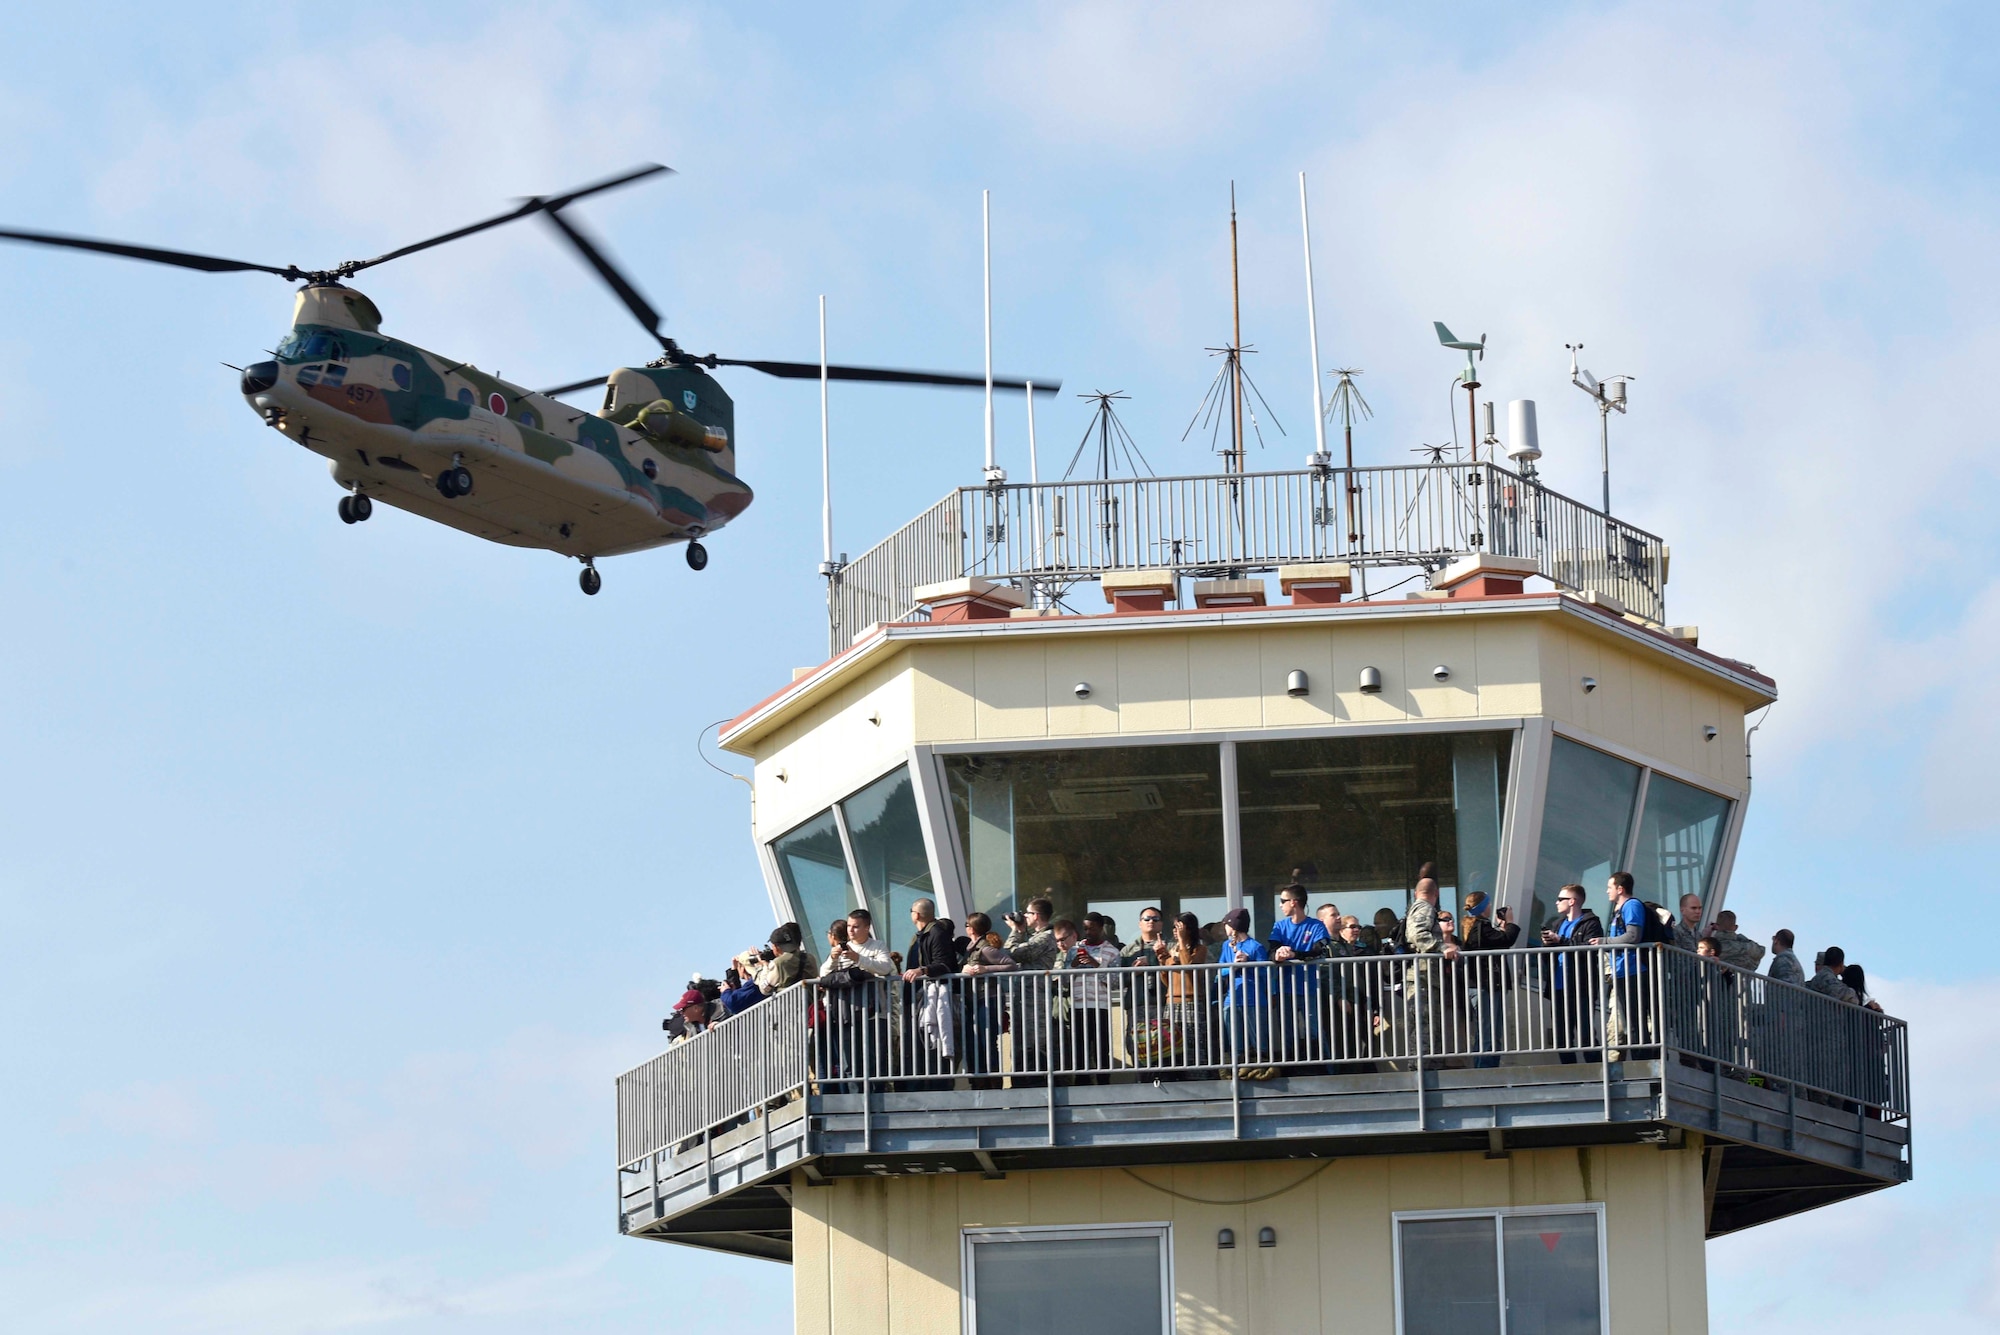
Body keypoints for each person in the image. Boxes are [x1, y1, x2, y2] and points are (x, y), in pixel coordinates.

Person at [1538, 884, 1602, 1063]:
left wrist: (1561, 940)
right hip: (1558, 986)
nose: (1556, 902)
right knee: (1561, 1038)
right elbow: (1548, 956)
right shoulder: (1558, 923)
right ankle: (1574, 1076)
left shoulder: (1591, 922)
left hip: (1580, 986)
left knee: (1585, 1035)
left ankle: (1596, 1074)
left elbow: (1589, 949)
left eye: (1560, 899)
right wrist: (1548, 943)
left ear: (1572, 901)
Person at [1269, 883, 1332, 1065]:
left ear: (1294, 902)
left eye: (1283, 901)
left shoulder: (1316, 926)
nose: (1280, 905)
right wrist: (1278, 955)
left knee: (1315, 1031)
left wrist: (1295, 954)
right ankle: (1291, 1070)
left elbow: (1319, 950)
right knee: (1287, 1032)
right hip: (1285, 989)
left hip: (1308, 988)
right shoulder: (1279, 926)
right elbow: (1271, 951)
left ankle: (1327, 1069)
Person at [1053, 915, 1119, 1082]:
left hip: (1100, 1006)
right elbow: (1064, 982)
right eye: (1086, 928)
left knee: (1101, 1049)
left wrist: (1096, 965)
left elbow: (1115, 982)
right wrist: (1073, 965)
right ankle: (1082, 1084)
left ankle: (1104, 1084)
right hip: (1077, 1006)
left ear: (1101, 928)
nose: (1088, 932)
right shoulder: (1074, 950)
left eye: (1092, 928)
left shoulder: (1112, 951)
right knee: (1079, 1049)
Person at [1001, 896, 1059, 1084]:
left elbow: (1014, 953)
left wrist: (1015, 932)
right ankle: (1021, 1084)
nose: (1024, 916)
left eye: (1027, 913)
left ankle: (1034, 1085)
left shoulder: (1046, 937)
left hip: (1035, 998)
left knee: (1033, 1043)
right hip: (1025, 997)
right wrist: (1020, 931)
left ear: (1036, 915)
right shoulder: (1036, 936)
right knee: (1020, 1043)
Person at [1458, 892, 1519, 1068]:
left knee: (1492, 1032)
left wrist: (1501, 927)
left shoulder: (1478, 926)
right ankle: (1483, 1074)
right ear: (1484, 907)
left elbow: (1498, 941)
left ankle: (1490, 1071)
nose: (1491, 907)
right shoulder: (1480, 927)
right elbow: (1506, 939)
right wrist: (1510, 922)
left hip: (1488, 985)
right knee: (1487, 1033)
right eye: (1489, 904)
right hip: (1485, 985)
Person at [902, 899, 959, 1079]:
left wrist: (923, 970)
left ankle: (937, 1085)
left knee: (933, 1044)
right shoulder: (920, 935)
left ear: (916, 914)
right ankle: (923, 1083)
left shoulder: (936, 933)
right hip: (918, 997)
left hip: (932, 998)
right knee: (920, 1044)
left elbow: (945, 964)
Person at [1217, 907, 1272, 1076]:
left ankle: (1260, 1066)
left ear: (1232, 926)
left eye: (1226, 924)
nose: (1224, 928)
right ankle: (1237, 1067)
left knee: (1258, 1038)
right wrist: (1233, 965)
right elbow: (1220, 971)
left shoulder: (1255, 946)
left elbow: (1266, 973)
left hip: (1254, 998)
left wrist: (1248, 963)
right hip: (1231, 999)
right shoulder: (1226, 946)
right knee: (1235, 1039)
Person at [1604, 872, 1654, 1060]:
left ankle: (1643, 1060)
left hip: (1633, 970)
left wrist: (1605, 941)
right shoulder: (1620, 909)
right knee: (1630, 1019)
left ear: (1620, 889)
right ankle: (1640, 1059)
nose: (1606, 891)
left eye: (1610, 887)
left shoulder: (1631, 905)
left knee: (1635, 1019)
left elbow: (1633, 936)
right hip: (1623, 970)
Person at [1159, 911, 1212, 1072]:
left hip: (1191, 1002)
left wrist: (1182, 942)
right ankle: (1175, 1077)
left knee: (1193, 1044)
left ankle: (1197, 1078)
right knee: (1172, 1044)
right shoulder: (1172, 949)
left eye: (1179, 927)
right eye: (1174, 928)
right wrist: (1162, 957)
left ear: (1188, 929)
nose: (1175, 931)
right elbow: (1166, 980)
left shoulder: (1200, 949)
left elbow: (1188, 968)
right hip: (1171, 1003)